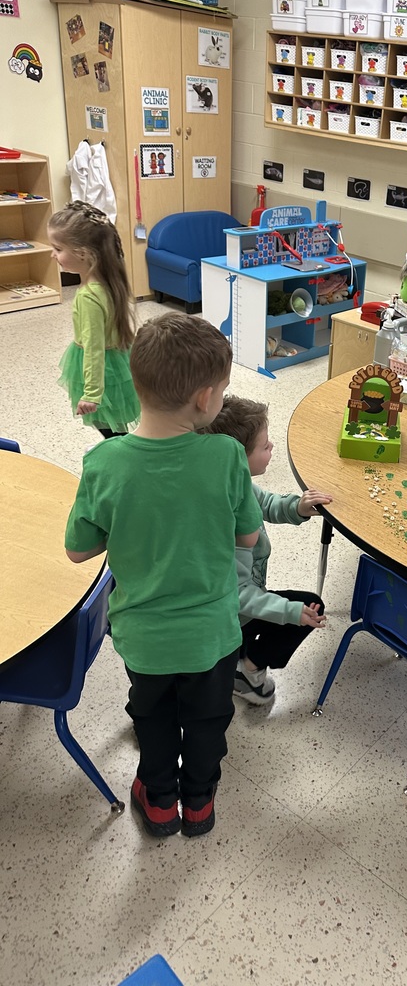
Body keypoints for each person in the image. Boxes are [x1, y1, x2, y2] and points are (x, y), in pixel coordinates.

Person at [64, 314, 262, 838]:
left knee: (151, 719)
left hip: (144, 639)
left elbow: (78, 551)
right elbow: (247, 538)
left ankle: (157, 802)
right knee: (207, 721)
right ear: (204, 398)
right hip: (213, 636)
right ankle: (198, 803)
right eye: (222, 390)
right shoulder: (225, 456)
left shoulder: (103, 461)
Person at [202, 395, 331, 704]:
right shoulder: (221, 516)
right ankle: (245, 671)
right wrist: (289, 612)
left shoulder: (236, 480)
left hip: (245, 604)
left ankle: (243, 661)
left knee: (305, 607)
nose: (271, 447)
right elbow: (239, 595)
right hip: (229, 620)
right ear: (237, 457)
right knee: (309, 610)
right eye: (264, 446)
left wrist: (297, 507)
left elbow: (268, 504)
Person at [49, 200, 140, 439]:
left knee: (109, 426)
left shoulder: (89, 296)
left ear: (83, 254)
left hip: (101, 370)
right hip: (117, 361)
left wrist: (91, 393)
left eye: (58, 249)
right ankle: (121, 449)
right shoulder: (109, 282)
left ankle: (121, 456)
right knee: (116, 423)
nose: (53, 255)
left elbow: (93, 348)